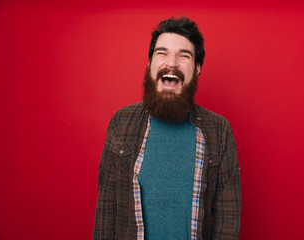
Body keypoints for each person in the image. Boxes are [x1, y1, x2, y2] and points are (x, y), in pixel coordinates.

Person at [93, 17, 241, 240]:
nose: (171, 63)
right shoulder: (121, 122)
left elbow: (227, 217)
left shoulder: (219, 130)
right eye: (162, 53)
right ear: (150, 63)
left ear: (197, 68)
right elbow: (106, 208)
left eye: (184, 56)